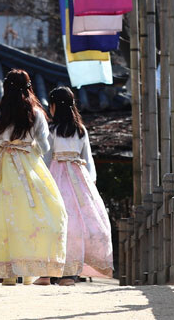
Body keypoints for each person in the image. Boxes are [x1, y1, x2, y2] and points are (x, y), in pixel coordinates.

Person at [0, 69, 67, 285]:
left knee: (1, 215)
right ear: (29, 87)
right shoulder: (36, 114)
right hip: (28, 165)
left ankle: (8, 270)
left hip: (1, 167)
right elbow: (44, 146)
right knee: (33, 214)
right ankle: (29, 265)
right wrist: (29, 145)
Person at [44, 86, 113, 284]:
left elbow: (47, 158)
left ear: (54, 106)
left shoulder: (51, 130)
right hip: (79, 176)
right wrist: (90, 183)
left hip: (56, 177)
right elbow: (88, 159)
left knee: (56, 221)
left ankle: (53, 268)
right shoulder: (81, 131)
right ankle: (71, 272)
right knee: (79, 224)